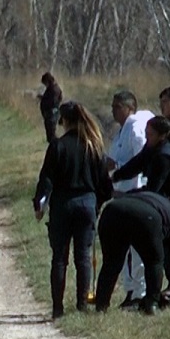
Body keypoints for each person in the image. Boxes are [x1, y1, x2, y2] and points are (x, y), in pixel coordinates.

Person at [33, 101, 114, 318]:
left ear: (65, 121)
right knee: (83, 258)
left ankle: (57, 309)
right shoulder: (93, 145)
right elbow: (106, 186)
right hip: (87, 204)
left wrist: (39, 204)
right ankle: (81, 305)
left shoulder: (57, 146)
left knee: (59, 258)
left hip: (62, 205)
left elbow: (46, 180)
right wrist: (96, 204)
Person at [112, 116, 170, 300]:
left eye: (150, 135)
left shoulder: (164, 155)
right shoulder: (152, 147)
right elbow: (136, 164)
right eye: (145, 134)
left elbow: (153, 191)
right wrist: (115, 177)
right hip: (169, 197)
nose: (146, 139)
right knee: (168, 242)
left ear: (162, 136)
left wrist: (125, 196)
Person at [94, 192, 170, 315]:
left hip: (111, 211)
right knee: (154, 262)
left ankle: (101, 306)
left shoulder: (156, 199)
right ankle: (151, 305)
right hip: (146, 217)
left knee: (111, 264)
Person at [106, 90, 155, 309]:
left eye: (117, 106)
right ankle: (130, 290)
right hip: (121, 196)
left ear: (129, 108)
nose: (113, 110)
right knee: (124, 249)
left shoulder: (135, 128)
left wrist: (117, 168)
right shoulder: (121, 131)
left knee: (136, 249)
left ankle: (140, 293)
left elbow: (141, 161)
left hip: (135, 195)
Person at [37, 72, 63, 144]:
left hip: (51, 114)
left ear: (48, 81)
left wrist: (43, 99)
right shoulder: (53, 88)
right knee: (50, 134)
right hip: (50, 114)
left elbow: (52, 102)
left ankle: (55, 148)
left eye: (45, 83)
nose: (45, 85)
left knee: (51, 134)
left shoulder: (54, 89)